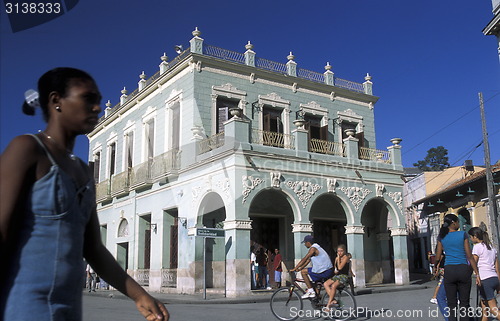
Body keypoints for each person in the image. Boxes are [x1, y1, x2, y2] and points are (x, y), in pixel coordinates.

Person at [0, 68, 169, 321]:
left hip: (69, 309)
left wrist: (139, 295)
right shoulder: (26, 149)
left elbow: (93, 249)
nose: (97, 108)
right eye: (88, 98)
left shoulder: (82, 170)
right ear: (56, 101)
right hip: (24, 306)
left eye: (98, 100)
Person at [434, 214, 480, 321]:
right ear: (453, 223)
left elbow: (438, 256)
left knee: (451, 304)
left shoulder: (442, 236)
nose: (459, 224)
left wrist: (435, 266)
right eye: (458, 222)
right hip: (463, 270)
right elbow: (469, 256)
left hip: (449, 270)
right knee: (464, 303)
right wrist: (477, 273)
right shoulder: (462, 234)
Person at [468, 227, 500, 321]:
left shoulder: (477, 247)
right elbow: (497, 268)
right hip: (494, 278)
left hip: (485, 279)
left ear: (475, 236)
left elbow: (474, 263)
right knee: (484, 305)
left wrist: (471, 273)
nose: (470, 239)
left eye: (470, 237)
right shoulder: (492, 248)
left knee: (493, 309)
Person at [323, 244, 350, 312]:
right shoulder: (337, 258)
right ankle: (333, 300)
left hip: (344, 276)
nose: (339, 253)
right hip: (337, 276)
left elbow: (340, 267)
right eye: (338, 251)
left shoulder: (345, 257)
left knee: (334, 286)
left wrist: (338, 259)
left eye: (341, 251)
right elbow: (336, 270)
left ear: (344, 251)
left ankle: (328, 305)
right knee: (326, 284)